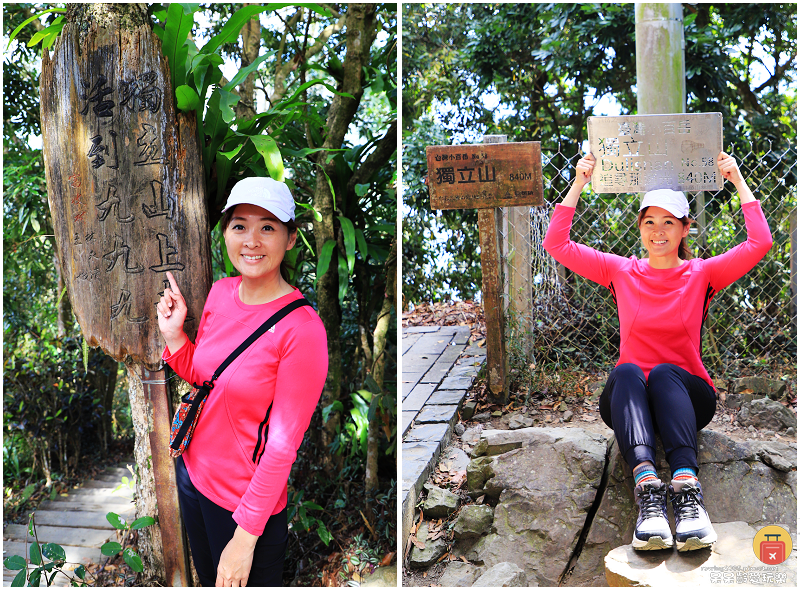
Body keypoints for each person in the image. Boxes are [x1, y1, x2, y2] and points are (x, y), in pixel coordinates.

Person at [543, 151, 772, 552]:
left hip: (687, 395)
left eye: (669, 222)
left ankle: (687, 497)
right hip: (630, 399)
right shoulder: (621, 271)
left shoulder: (702, 273)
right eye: (650, 221)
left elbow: (760, 242)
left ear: (685, 228)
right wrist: (579, 181)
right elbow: (556, 243)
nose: (659, 230)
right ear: (641, 227)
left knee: (665, 372)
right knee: (628, 371)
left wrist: (736, 179)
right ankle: (649, 498)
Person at [156, 176, 328, 586]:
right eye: (240, 226)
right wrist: (175, 336)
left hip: (243, 506)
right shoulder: (219, 293)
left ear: (289, 239)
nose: (252, 240)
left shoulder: (303, 331)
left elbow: (282, 447)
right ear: (226, 233)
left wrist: (244, 538)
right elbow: (208, 378)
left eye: (267, 227)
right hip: (193, 478)